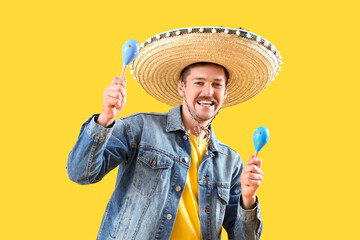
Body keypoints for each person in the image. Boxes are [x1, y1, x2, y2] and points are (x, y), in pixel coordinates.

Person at [67, 27, 282, 240]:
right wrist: (105, 118)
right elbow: (81, 173)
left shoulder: (231, 163)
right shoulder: (140, 129)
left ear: (225, 93)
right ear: (182, 87)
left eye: (217, 85)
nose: (208, 92)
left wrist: (248, 198)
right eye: (199, 82)